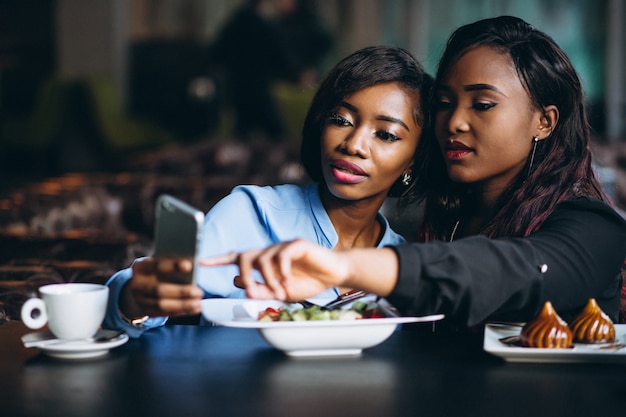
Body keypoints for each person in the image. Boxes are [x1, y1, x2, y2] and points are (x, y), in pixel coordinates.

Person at [203, 16, 626, 327]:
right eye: (444, 103)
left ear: (545, 121)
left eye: (482, 104)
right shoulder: (446, 219)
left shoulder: (591, 226)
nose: (455, 122)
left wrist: (348, 266)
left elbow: (511, 270)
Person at [103, 45, 434, 337]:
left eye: (386, 135)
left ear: (413, 161)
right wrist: (132, 299)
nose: (353, 145)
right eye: (342, 119)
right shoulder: (251, 213)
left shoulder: (398, 260)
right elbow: (142, 295)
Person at [210, 0, 290, 140]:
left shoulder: (233, 27)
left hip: (239, 89)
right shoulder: (266, 28)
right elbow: (280, 59)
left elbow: (217, 55)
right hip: (260, 89)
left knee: (242, 134)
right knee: (277, 135)